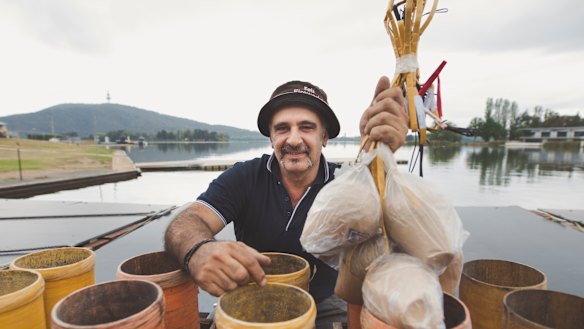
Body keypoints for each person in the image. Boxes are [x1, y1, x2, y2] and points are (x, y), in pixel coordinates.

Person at [164, 76, 408, 328]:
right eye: (282, 128)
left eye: (306, 127)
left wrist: (377, 157)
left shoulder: (345, 183)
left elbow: (389, 227)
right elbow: (187, 221)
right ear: (271, 137)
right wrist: (199, 250)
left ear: (324, 137)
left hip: (324, 303)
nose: (293, 139)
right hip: (251, 297)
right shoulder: (245, 177)